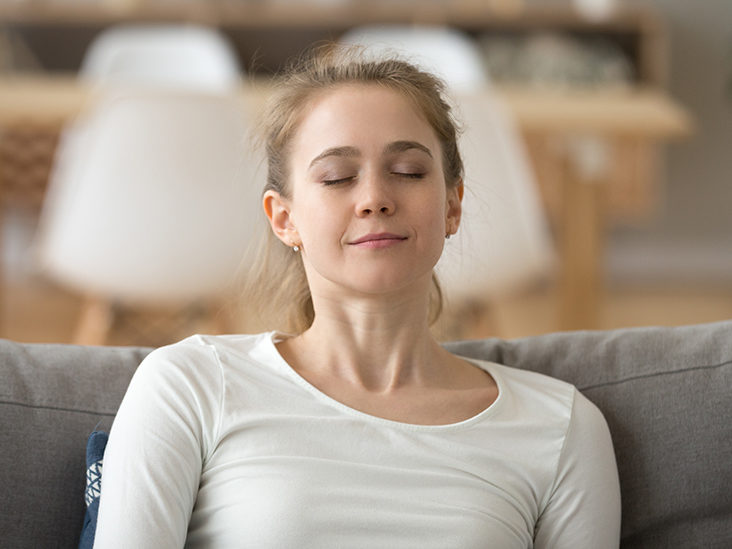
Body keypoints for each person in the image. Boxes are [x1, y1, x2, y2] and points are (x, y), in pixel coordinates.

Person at [93, 46, 621, 548]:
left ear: (452, 205)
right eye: (338, 177)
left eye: (408, 172)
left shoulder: (561, 427)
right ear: (284, 218)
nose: (374, 198)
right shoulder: (189, 385)